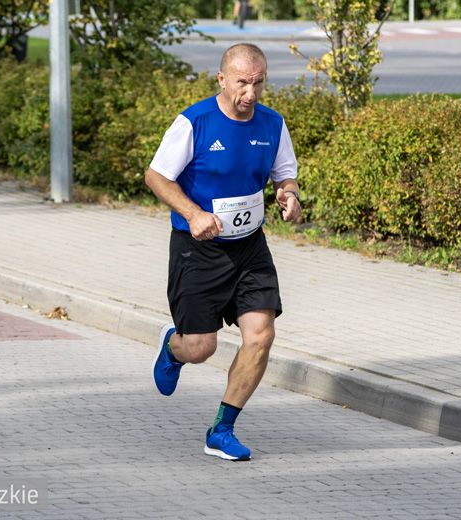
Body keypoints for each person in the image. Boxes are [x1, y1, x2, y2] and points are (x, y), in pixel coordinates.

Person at [144, 43, 301, 461]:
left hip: (250, 247)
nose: (251, 92)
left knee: (261, 336)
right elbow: (156, 176)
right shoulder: (195, 122)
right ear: (222, 79)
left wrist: (289, 195)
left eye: (259, 82)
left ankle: (222, 429)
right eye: (242, 83)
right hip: (199, 249)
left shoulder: (272, 124)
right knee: (201, 348)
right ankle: (173, 346)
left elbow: (285, 174)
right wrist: (193, 213)